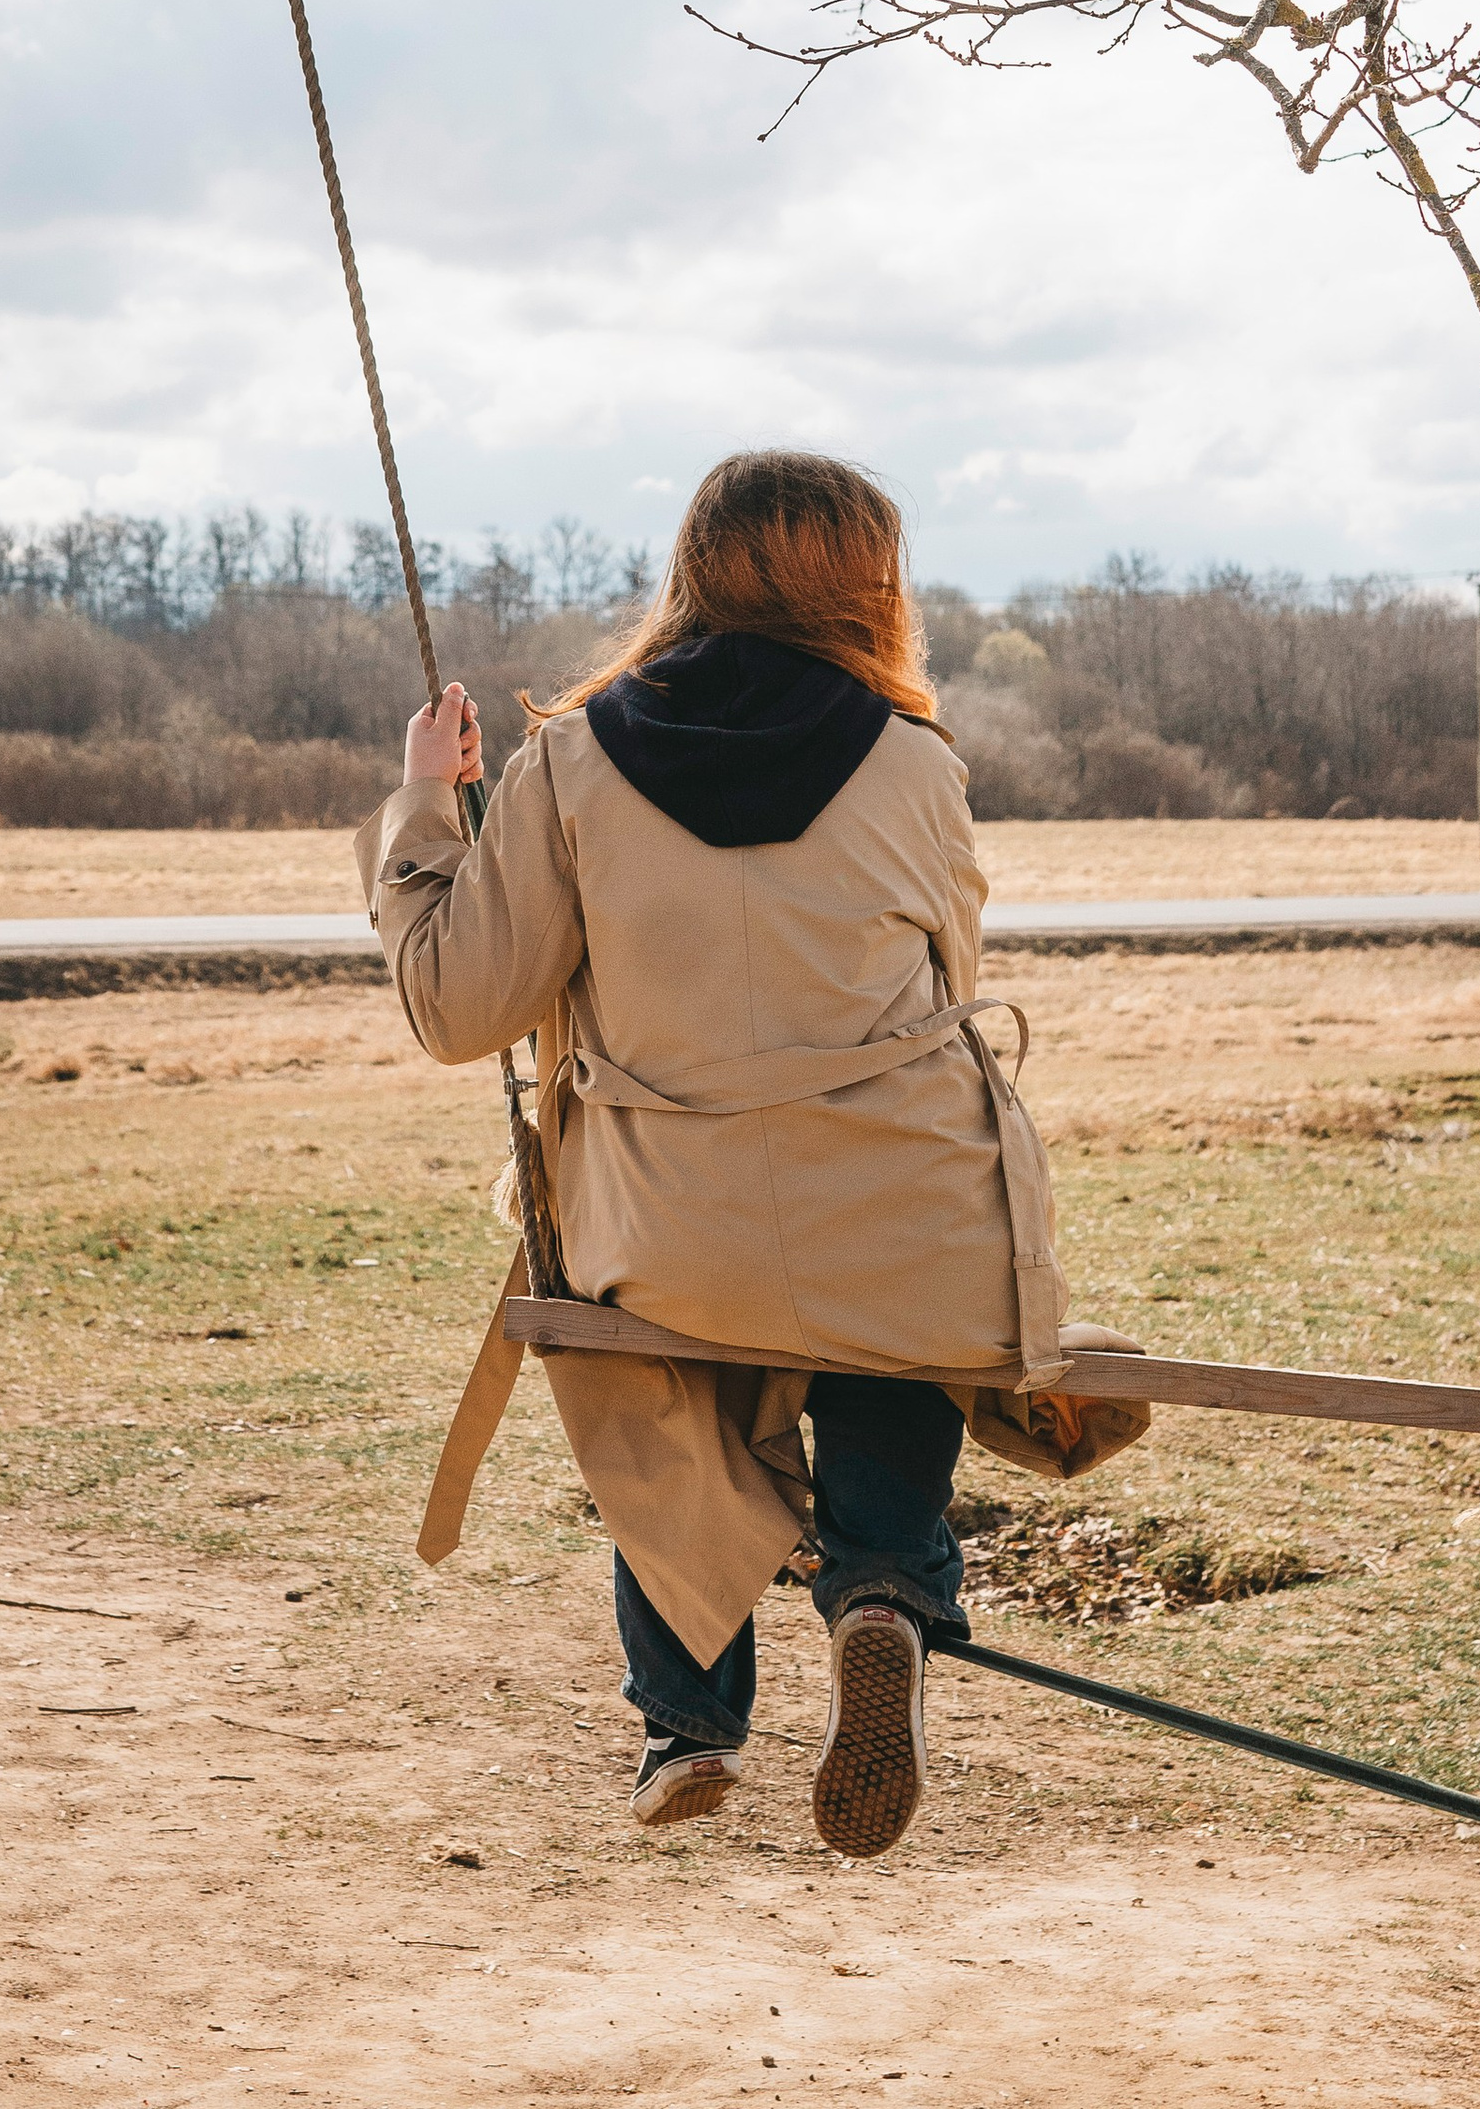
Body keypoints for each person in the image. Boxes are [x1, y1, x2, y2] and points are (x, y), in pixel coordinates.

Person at [357, 449, 1109, 1858]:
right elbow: (947, 969)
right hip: (907, 1203)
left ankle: (688, 1718)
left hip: (673, 1220)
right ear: (868, 584)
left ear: (692, 570)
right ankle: (883, 1587)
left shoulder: (570, 760)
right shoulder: (918, 759)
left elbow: (460, 1007)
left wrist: (423, 808)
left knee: (658, 1367)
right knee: (896, 1319)